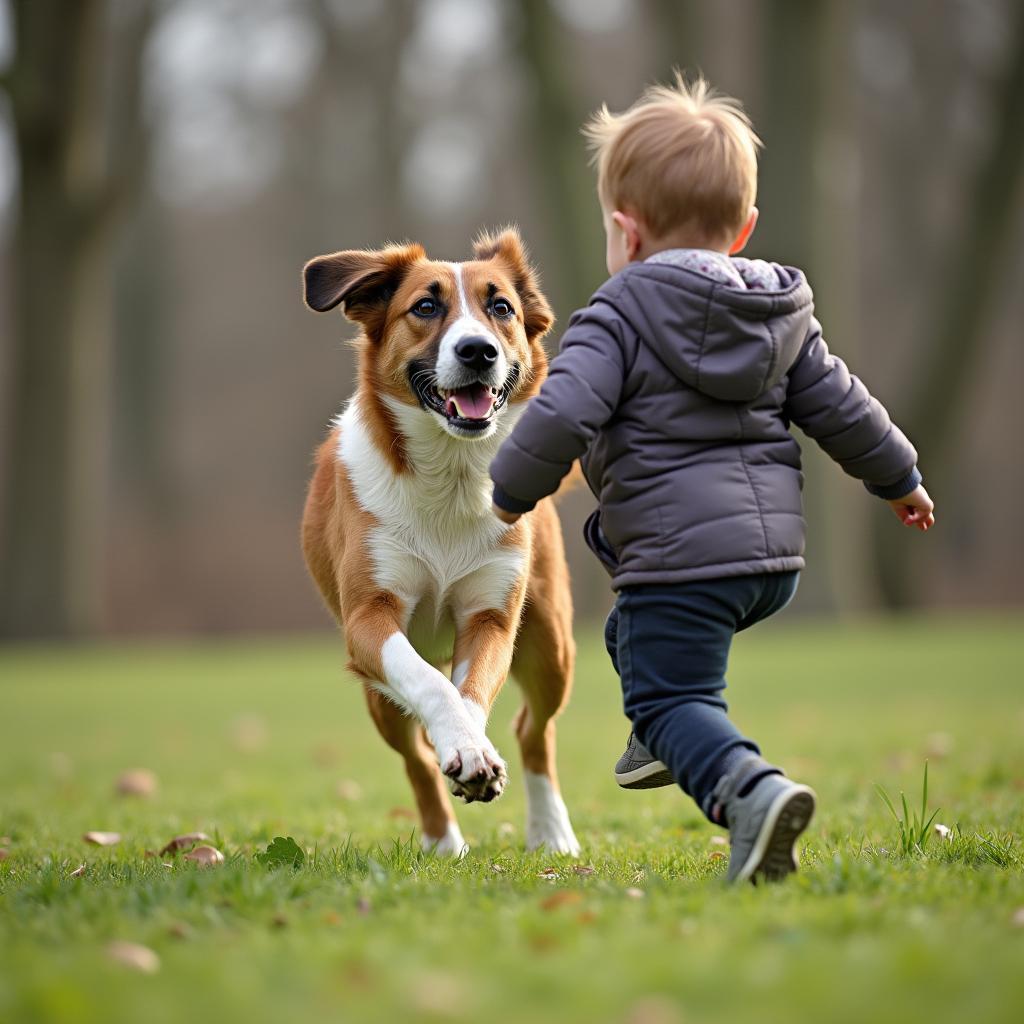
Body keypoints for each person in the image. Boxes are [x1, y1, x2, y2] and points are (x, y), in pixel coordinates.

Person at [488, 74, 935, 884]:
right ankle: (663, 733)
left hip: (681, 563)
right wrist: (900, 477)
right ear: (745, 228)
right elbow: (844, 407)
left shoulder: (615, 317)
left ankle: (749, 790)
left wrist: (505, 495)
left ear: (624, 232)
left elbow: (559, 418)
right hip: (772, 565)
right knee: (631, 638)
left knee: (670, 699)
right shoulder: (781, 313)